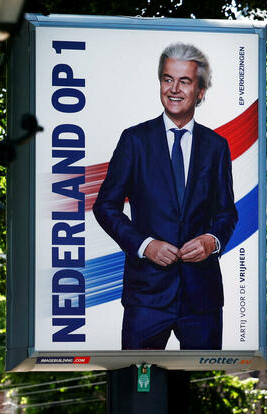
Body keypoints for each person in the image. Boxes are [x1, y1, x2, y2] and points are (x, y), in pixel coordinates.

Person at [93, 42, 237, 350]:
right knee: (138, 390)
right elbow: (105, 206)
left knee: (202, 389)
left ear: (200, 92)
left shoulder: (216, 146)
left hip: (202, 299)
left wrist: (212, 240)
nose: (173, 89)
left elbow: (227, 213)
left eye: (184, 81)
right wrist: (145, 245)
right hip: (146, 295)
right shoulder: (134, 141)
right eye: (167, 79)